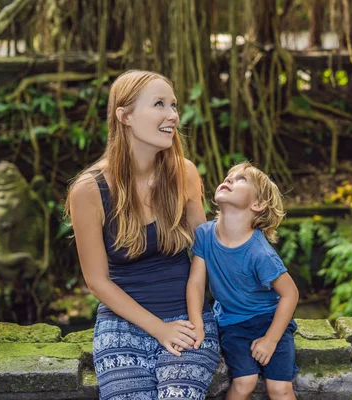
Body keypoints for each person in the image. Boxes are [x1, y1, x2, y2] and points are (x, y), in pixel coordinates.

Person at [65, 70, 220, 400]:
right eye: (160, 104)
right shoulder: (89, 190)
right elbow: (97, 281)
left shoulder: (184, 173)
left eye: (174, 105)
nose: (173, 115)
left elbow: (207, 250)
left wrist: (203, 316)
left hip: (188, 318)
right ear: (125, 116)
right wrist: (158, 329)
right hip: (122, 324)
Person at [184, 161, 300, 400]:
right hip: (232, 324)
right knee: (243, 383)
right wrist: (197, 324)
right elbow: (196, 283)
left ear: (257, 204)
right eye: (229, 176)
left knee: (280, 388)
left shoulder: (260, 252)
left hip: (269, 321)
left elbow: (290, 294)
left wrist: (270, 339)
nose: (229, 179)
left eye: (240, 179)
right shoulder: (205, 235)